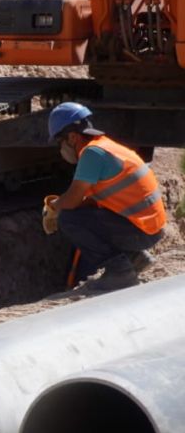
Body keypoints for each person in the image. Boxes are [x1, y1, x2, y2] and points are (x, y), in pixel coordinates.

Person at [43, 101, 165, 292]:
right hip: (148, 227)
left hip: (141, 232)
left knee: (69, 219)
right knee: (87, 213)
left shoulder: (91, 154)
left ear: (73, 137)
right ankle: (135, 258)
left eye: (60, 142)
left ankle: (120, 272)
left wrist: (53, 208)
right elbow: (91, 201)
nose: (61, 149)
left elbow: (72, 200)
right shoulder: (105, 146)